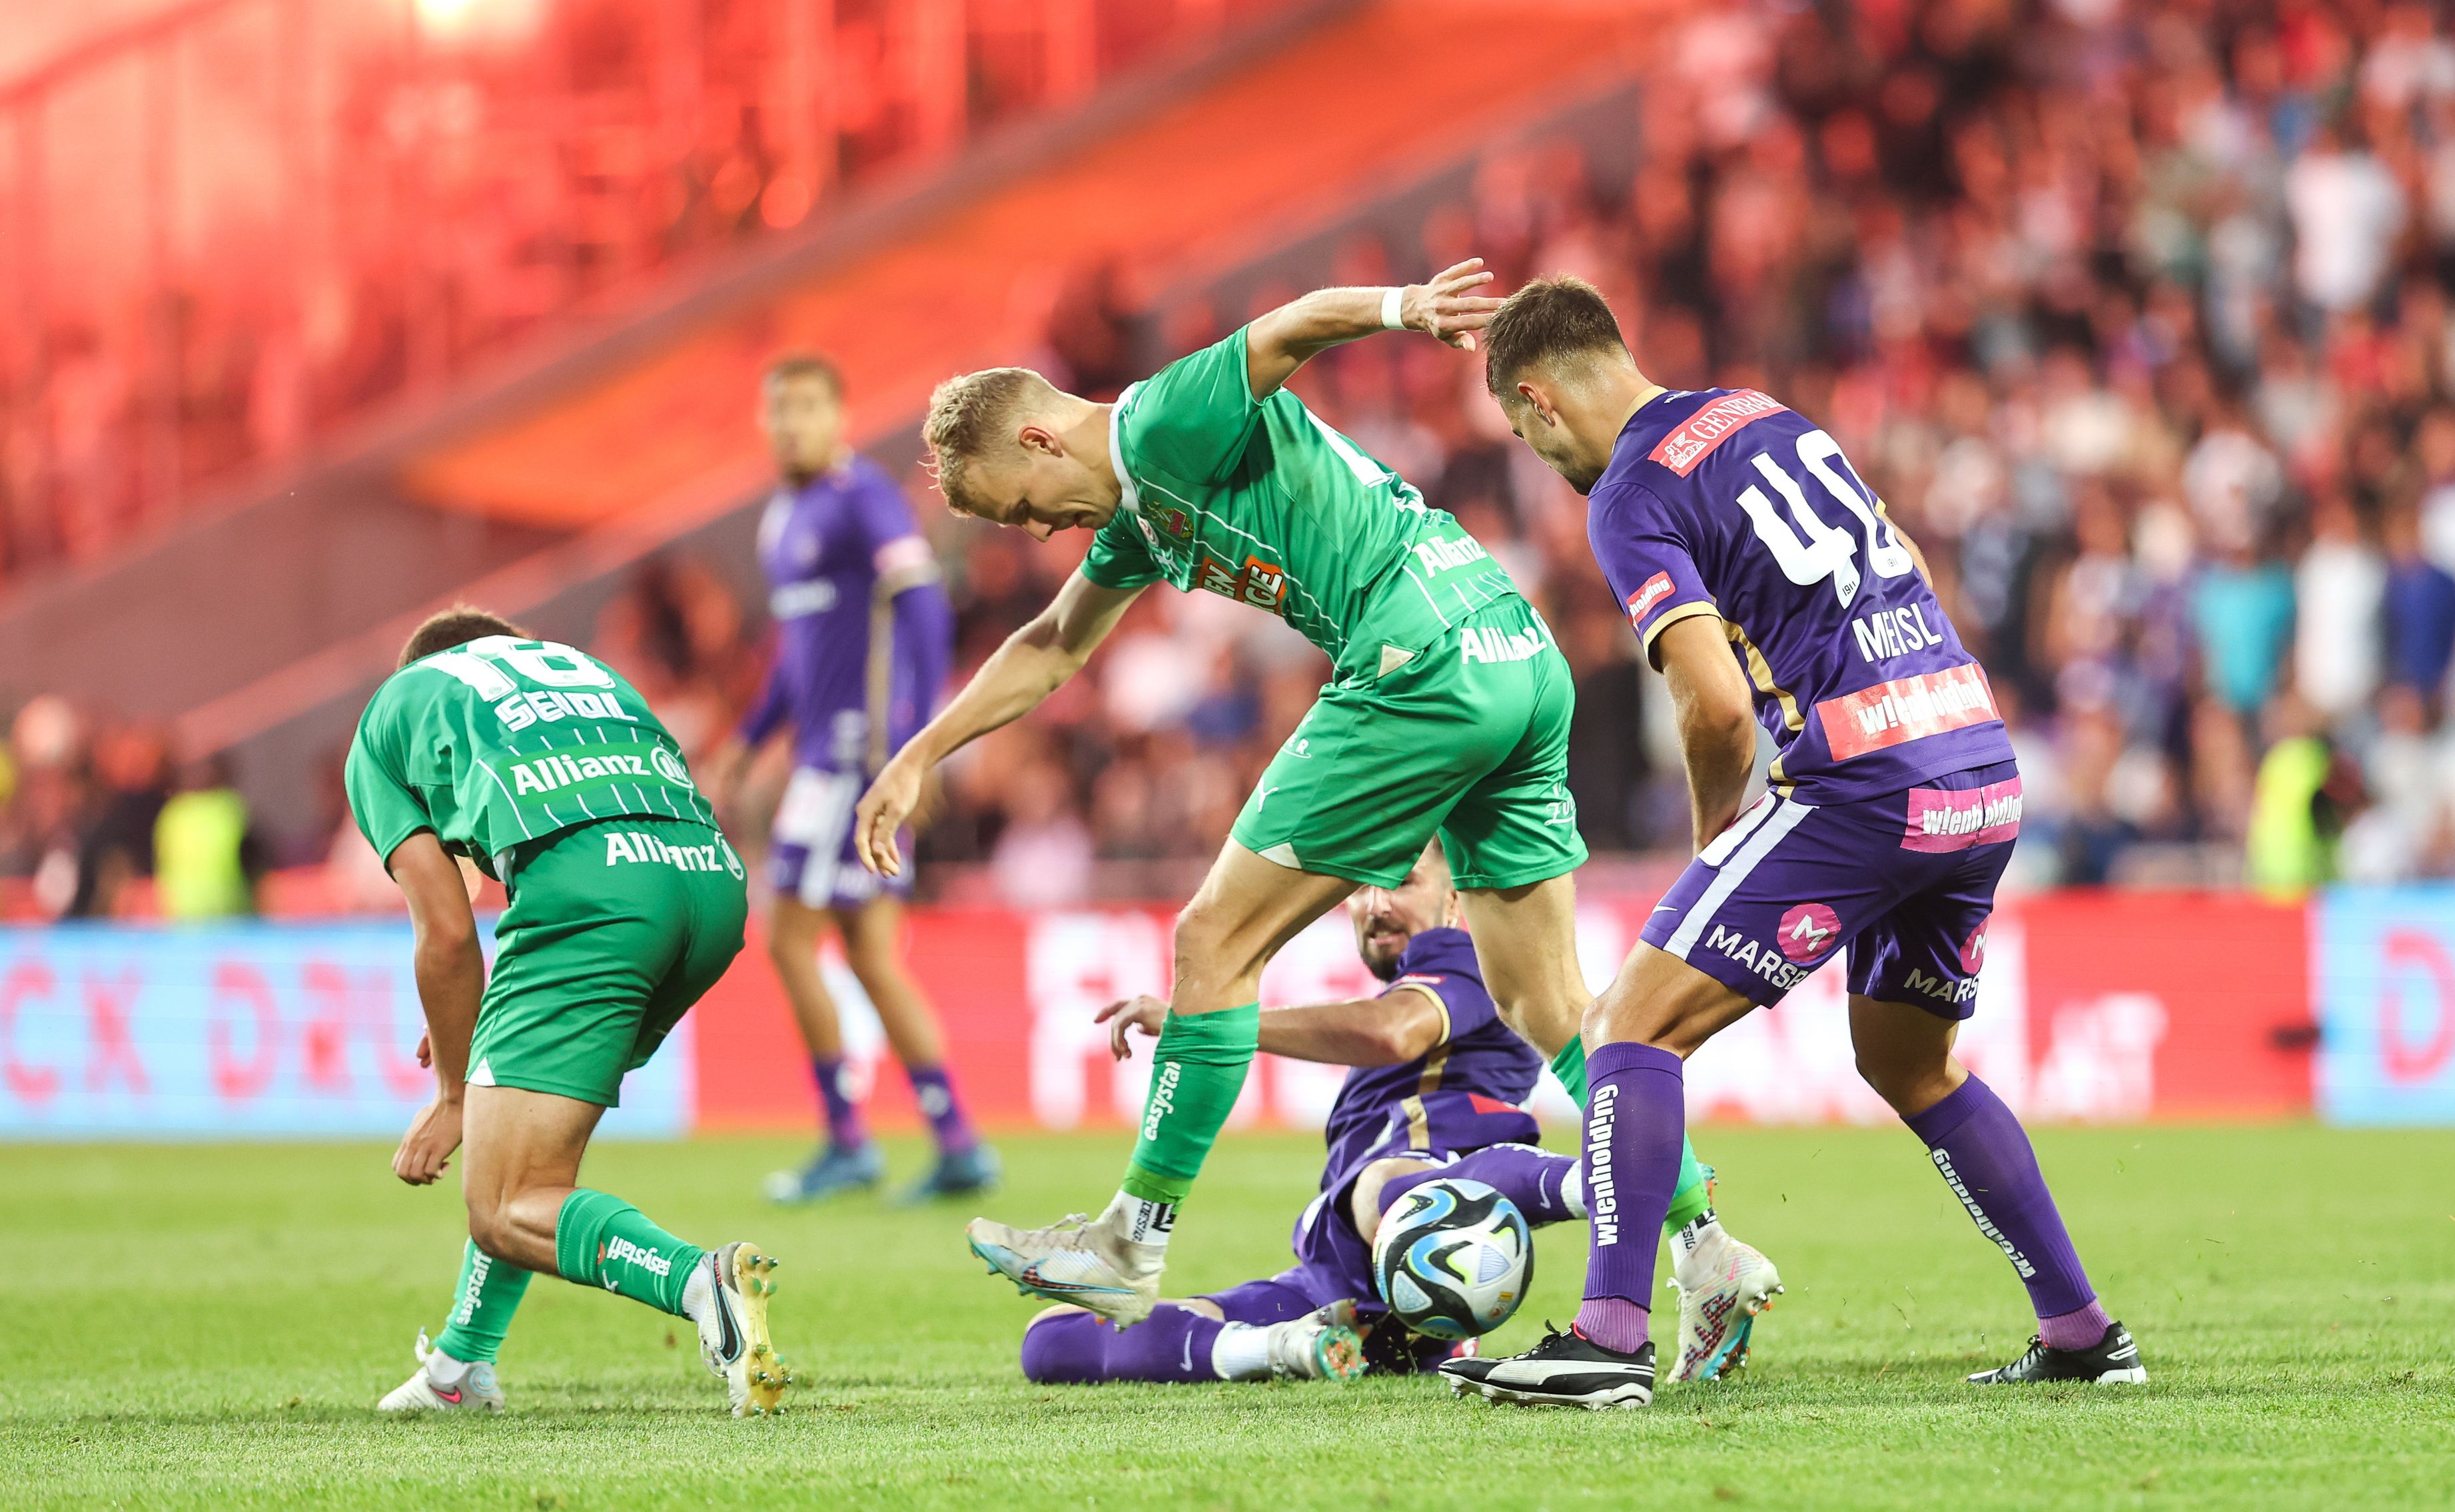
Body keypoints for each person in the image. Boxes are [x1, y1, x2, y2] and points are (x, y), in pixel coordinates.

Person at [854, 260, 1779, 1383]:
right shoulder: (1143, 514)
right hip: (1512, 651)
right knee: (1547, 1003)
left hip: (1417, 654)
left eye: (1019, 505)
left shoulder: (1153, 424)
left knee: (1211, 942)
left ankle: (1128, 1243)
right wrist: (919, 753)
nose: (1038, 530)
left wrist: (1403, 310)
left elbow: (1283, 329)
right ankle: (1707, 1246)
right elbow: (1053, 643)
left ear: (1040, 441)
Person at [1442, 276, 2141, 1409]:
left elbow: (1715, 707)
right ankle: (2082, 1330)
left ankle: (1606, 1341)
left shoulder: (1628, 491)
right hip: (1970, 754)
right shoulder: (1766, 415)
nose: (1541, 457)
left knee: (1628, 1024)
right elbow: (1899, 546)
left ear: (1540, 398)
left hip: (1863, 778)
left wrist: (1720, 828)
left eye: (1528, 436)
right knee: (1909, 1063)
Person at [351, 606, 790, 1418]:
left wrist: (452, 1093)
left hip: (594, 896)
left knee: (504, 1203)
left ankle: (704, 1284)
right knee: (527, 1157)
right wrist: (485, 1042)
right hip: (710, 886)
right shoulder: (584, 673)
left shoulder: (395, 709)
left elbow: (448, 932)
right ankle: (460, 1369)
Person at [1021, 844, 1610, 1385]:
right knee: (1050, 1339)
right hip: (1344, 1279)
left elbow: (1394, 1032)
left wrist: (1217, 1026)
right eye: (1360, 886)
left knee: (1383, 1185)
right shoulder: (1420, 980)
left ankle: (1599, 1178)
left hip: (1429, 1216)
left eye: (1402, 881)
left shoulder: (1474, 956)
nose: (1375, 905)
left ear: (1455, 895)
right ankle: (1286, 1347)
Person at [706, 353, 997, 1205]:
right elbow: (800, 659)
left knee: (795, 940)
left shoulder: (861, 498)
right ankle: (954, 1140)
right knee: (869, 955)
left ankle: (849, 1139)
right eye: (779, 408)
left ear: (839, 418)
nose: (791, 423)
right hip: (818, 760)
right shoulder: (783, 518)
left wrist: (916, 747)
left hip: (855, 761)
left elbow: (924, 607)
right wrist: (751, 736)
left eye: (808, 407)